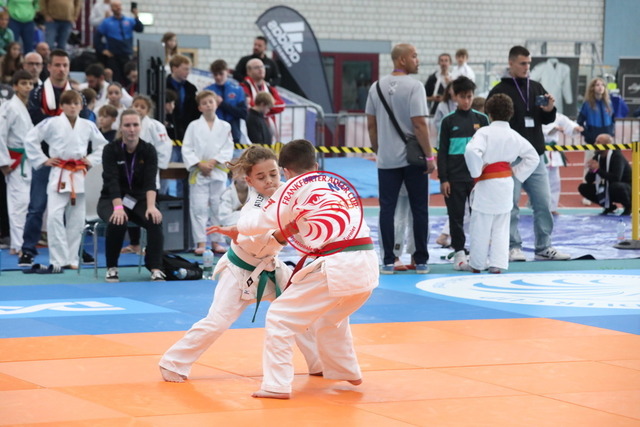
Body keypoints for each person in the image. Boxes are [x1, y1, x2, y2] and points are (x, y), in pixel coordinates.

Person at [159, 145, 320, 383]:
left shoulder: (286, 193)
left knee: (298, 311)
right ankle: (172, 362)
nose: (269, 181)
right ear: (249, 180)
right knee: (217, 321)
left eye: (273, 174)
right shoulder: (252, 208)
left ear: (281, 171)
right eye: (261, 177)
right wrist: (288, 231)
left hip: (271, 266)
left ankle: (319, 363)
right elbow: (260, 238)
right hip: (241, 270)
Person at [234, 139, 378, 399]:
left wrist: (247, 210)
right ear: (316, 165)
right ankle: (348, 370)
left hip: (338, 265)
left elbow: (251, 225)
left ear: (286, 171)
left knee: (279, 317)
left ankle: (276, 385)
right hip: (367, 265)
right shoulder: (334, 185)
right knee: (330, 317)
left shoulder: (291, 189)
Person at [487, 45, 570, 262]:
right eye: (522, 63)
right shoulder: (499, 91)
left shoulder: (536, 87)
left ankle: (544, 246)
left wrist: (549, 110)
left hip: (535, 157)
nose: (527, 67)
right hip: (510, 158)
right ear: (511, 63)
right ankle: (512, 247)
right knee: (510, 204)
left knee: (543, 202)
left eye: (529, 63)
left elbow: (546, 119)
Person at [365, 43, 434, 274]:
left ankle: (387, 260)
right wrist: (429, 156)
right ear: (402, 60)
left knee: (387, 210)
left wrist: (379, 149)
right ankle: (421, 260)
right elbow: (419, 124)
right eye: (414, 56)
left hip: (387, 161)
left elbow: (371, 125)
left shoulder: (376, 87)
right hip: (413, 160)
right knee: (419, 209)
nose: (418, 60)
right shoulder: (415, 87)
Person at [19, 48, 90, 267]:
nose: (61, 69)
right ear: (49, 67)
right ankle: (28, 249)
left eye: (65, 65)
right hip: (48, 159)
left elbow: (84, 121)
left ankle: (75, 252)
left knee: (74, 209)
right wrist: (44, 158)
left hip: (71, 163)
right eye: (57, 65)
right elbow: (37, 121)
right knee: (37, 206)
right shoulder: (38, 94)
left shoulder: (78, 95)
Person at [24, 89, 107, 272]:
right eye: (68, 103)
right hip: (59, 172)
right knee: (54, 217)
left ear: (81, 106)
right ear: (61, 106)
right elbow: (30, 139)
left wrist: (91, 160)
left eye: (76, 103)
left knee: (77, 219)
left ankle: (72, 258)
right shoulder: (51, 123)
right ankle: (58, 259)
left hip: (79, 174)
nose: (72, 107)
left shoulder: (87, 125)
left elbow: (103, 146)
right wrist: (43, 159)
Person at [464, 94, 539, 273]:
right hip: (505, 183)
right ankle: (497, 264)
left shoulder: (484, 132)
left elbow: (471, 150)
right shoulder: (514, 135)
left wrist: (476, 171)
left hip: (487, 184)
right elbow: (533, 157)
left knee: (481, 224)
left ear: (489, 114)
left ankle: (477, 264)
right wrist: (516, 172)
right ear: (511, 114)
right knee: (502, 225)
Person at [98, 109, 165, 282]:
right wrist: (118, 208)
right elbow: (112, 181)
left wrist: (151, 206)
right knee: (118, 220)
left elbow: (150, 182)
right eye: (127, 125)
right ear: (121, 127)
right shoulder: (110, 149)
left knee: (155, 219)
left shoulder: (148, 150)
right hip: (111, 199)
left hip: (138, 199)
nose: (132, 129)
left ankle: (156, 268)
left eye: (135, 125)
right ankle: (112, 267)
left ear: (140, 127)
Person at [438, 76, 489, 270]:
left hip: (477, 179)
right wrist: (444, 179)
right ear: (454, 96)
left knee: (479, 217)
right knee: (456, 217)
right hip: (455, 178)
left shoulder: (482, 120)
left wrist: (485, 177)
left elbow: (488, 150)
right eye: (462, 97)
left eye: (469, 96)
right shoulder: (448, 121)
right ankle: (459, 254)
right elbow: (442, 152)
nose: (466, 101)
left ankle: (478, 254)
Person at [181, 90, 233, 255]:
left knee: (218, 207)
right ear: (199, 108)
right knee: (199, 208)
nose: (208, 105)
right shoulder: (193, 126)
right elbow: (187, 148)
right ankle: (201, 242)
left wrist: (213, 161)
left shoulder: (225, 126)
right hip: (199, 171)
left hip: (217, 171)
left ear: (216, 104)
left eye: (211, 102)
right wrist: (199, 164)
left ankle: (216, 241)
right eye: (204, 103)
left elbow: (228, 148)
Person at [0, 70, 34, 255]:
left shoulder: (23, 106)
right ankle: (20, 246)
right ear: (15, 86)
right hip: (14, 160)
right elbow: (0, 134)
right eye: (23, 83)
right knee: (19, 203)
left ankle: (16, 245)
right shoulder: (10, 107)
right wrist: (3, 162)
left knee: (21, 202)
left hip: (25, 160)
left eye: (30, 83)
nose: (27, 87)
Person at [163, 54, 199, 197]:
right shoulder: (162, 86)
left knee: (185, 171)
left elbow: (195, 114)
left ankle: (183, 200)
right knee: (166, 170)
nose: (187, 72)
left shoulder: (191, 88)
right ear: (174, 68)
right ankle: (162, 198)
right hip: (169, 136)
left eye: (189, 69)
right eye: (185, 69)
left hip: (186, 136)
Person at [578, 134, 632, 216]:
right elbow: (588, 180)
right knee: (583, 187)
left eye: (598, 142)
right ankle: (609, 207)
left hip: (627, 188)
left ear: (607, 145)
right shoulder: (597, 156)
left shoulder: (617, 156)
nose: (595, 144)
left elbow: (616, 178)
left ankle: (629, 207)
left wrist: (598, 170)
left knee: (616, 186)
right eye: (595, 142)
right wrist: (592, 170)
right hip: (608, 187)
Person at [542, 113, 583, 214]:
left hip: (553, 152)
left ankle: (552, 208)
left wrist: (575, 128)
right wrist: (553, 130)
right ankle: (539, 207)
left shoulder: (557, 116)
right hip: (540, 151)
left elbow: (567, 124)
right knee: (541, 182)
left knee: (555, 182)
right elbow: (543, 131)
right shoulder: (536, 114)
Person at [95, 0, 143, 84]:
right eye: (115, 6)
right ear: (111, 8)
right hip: (113, 56)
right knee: (116, 79)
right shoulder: (107, 22)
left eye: (119, 5)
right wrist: (102, 50)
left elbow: (140, 29)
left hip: (126, 55)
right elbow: (97, 37)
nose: (118, 8)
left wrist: (136, 15)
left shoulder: (129, 20)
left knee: (128, 79)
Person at [205, 59, 247, 143]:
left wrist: (222, 104)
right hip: (213, 133)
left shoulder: (237, 90)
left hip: (233, 134)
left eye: (221, 74)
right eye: (215, 74)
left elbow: (243, 113)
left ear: (227, 72)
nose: (218, 77)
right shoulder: (207, 91)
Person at [577, 77, 615, 144]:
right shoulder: (587, 104)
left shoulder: (609, 103)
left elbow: (613, 119)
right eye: (597, 85)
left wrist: (611, 132)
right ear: (592, 88)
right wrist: (587, 134)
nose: (600, 87)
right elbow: (580, 121)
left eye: (602, 85)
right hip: (593, 139)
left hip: (607, 138)